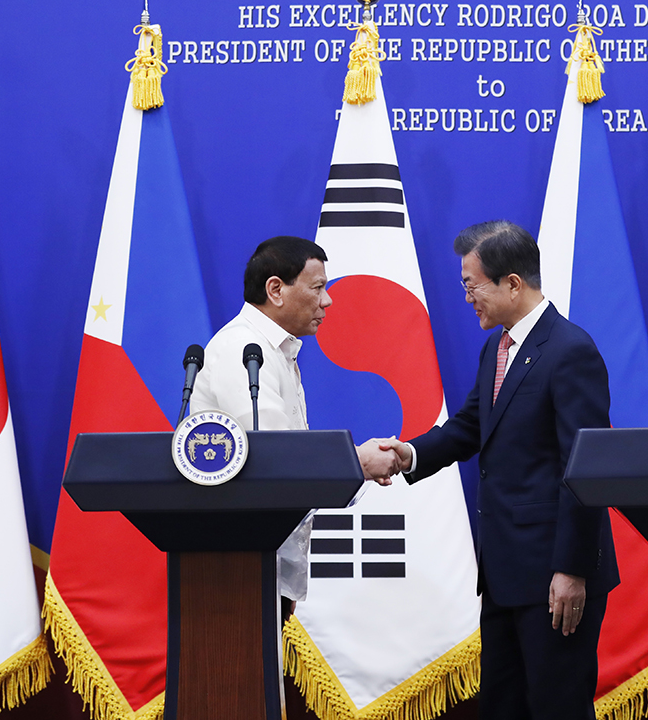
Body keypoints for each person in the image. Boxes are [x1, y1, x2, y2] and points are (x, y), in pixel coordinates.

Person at [365, 221, 619, 720]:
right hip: (504, 573)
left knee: (556, 706)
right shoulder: (497, 347)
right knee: (504, 705)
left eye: (470, 285)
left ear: (513, 283)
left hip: (554, 576)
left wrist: (571, 569)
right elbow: (470, 427)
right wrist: (407, 455)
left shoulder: (570, 351)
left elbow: (584, 468)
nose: (466, 298)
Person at [190, 235, 390, 611]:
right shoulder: (242, 350)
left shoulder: (272, 351)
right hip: (238, 564)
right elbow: (275, 458)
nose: (327, 301)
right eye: (318, 288)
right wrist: (358, 463)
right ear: (276, 289)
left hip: (264, 560)